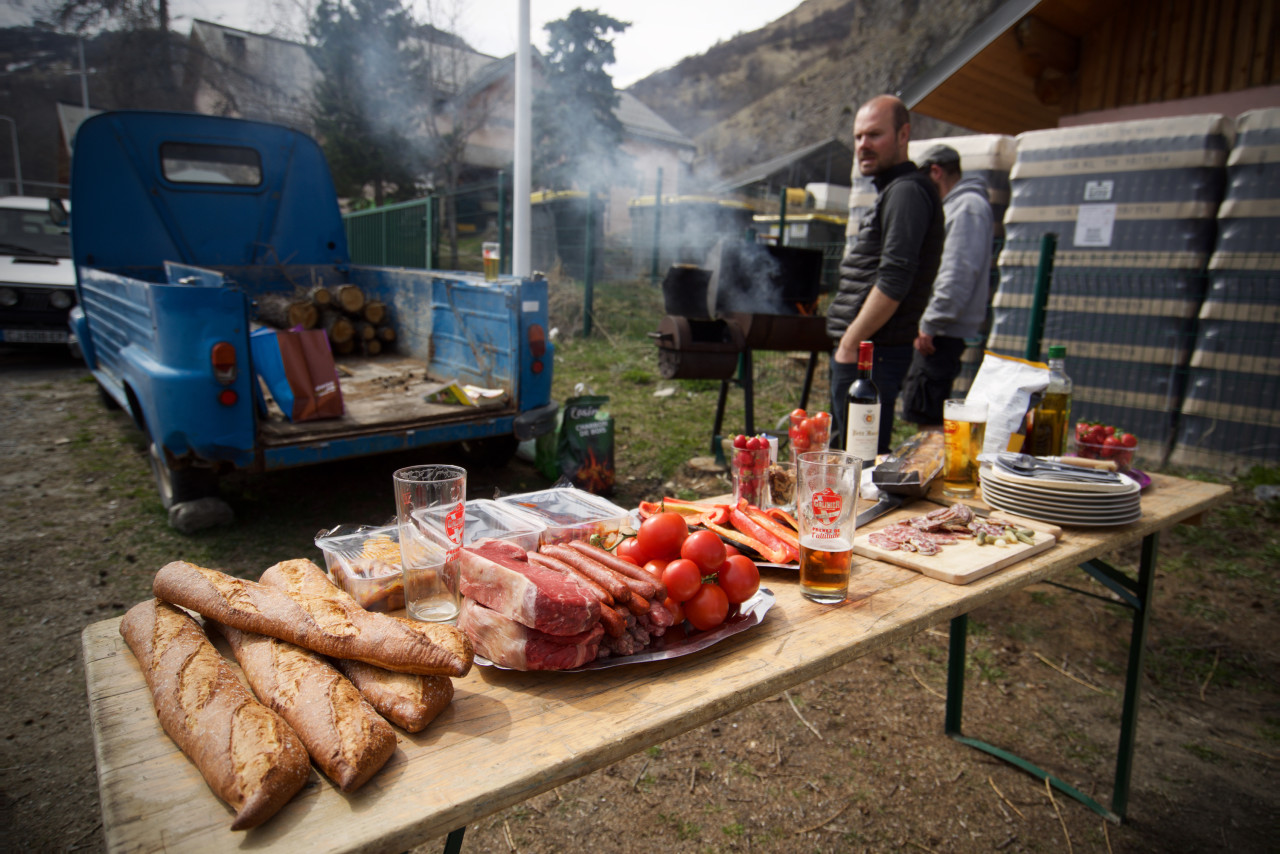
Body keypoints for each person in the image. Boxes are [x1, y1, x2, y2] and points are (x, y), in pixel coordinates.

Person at [827, 95, 944, 455]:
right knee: (848, 462)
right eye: (859, 137)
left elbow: (895, 279)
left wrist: (850, 343)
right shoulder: (896, 190)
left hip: (870, 354)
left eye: (874, 135)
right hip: (868, 351)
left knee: (858, 466)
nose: (863, 145)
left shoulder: (907, 191)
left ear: (903, 134)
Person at [901, 144, 995, 426]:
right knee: (922, 411)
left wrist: (931, 321)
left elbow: (957, 272)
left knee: (926, 414)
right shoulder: (959, 205)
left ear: (936, 172)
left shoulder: (967, 208)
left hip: (940, 333)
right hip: (939, 329)